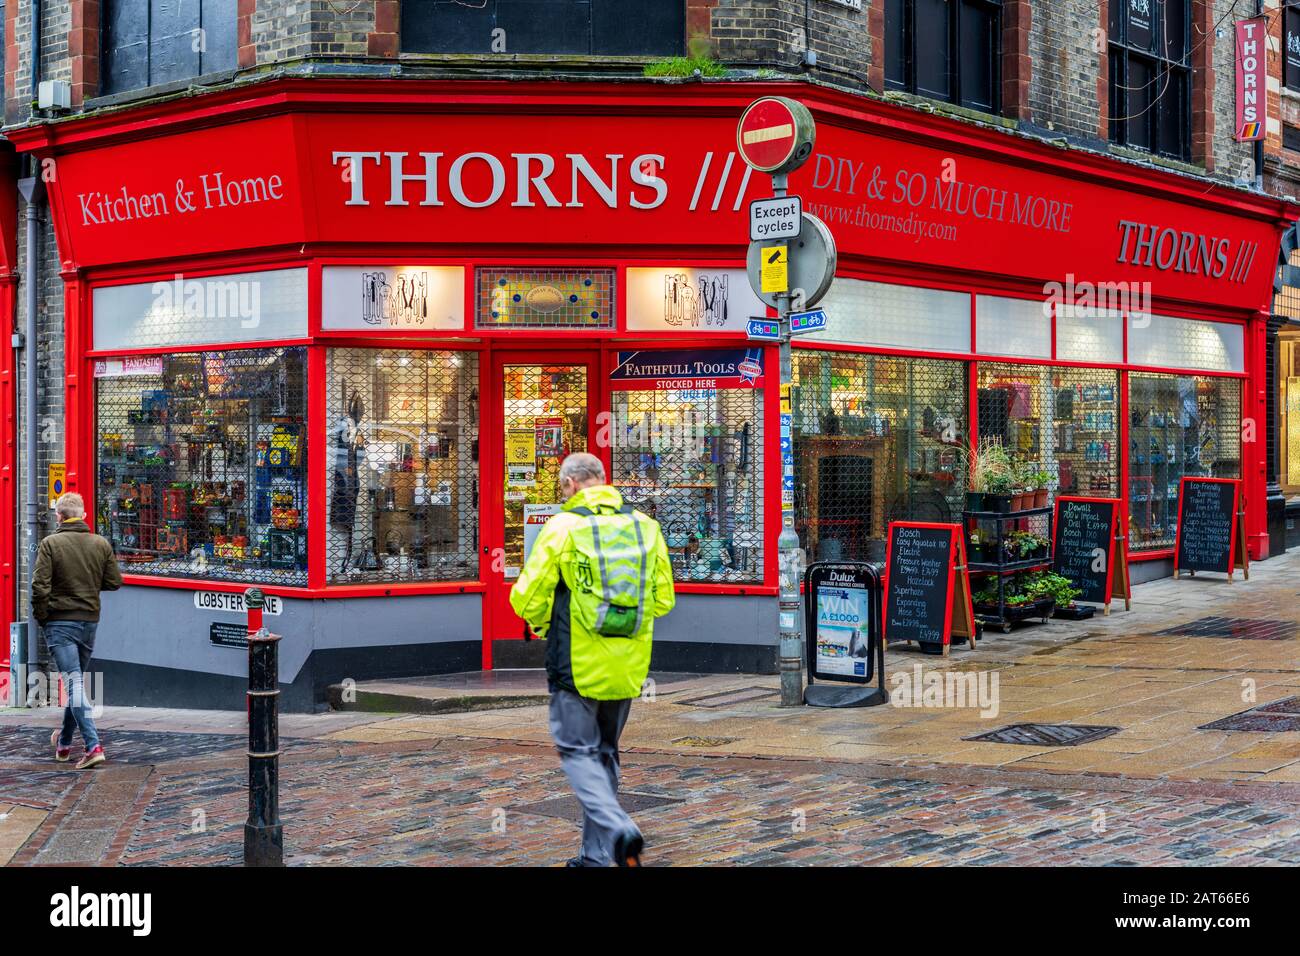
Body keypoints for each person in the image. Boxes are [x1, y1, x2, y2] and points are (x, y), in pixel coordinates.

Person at [511, 452, 675, 867]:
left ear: (569, 485)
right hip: (628, 666)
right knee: (606, 752)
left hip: (576, 664)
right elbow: (663, 599)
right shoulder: (646, 527)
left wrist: (545, 623)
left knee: (576, 751)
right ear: (603, 480)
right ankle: (597, 855)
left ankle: (618, 827)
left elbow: (525, 596)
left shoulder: (563, 526)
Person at [32, 492, 122, 770]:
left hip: (60, 622)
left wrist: (43, 617)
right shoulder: (100, 544)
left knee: (74, 684)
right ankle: (63, 744)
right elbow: (114, 582)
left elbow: (39, 587)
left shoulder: (50, 544)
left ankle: (93, 745)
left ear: (59, 516)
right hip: (89, 622)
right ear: (83, 515)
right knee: (77, 684)